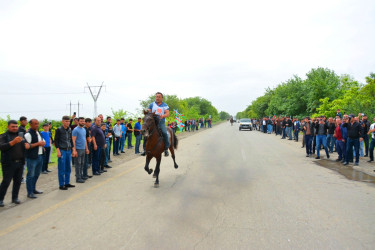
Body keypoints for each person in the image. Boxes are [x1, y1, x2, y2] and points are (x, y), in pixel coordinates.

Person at [0, 120, 31, 206]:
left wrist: (28, 145)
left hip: (20, 162)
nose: (15, 128)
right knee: (6, 182)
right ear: (8, 127)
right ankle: (0, 199)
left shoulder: (20, 135)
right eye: (13, 127)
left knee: (17, 181)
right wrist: (13, 142)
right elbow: (2, 147)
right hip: (9, 163)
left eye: (16, 126)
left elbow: (26, 144)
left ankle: (15, 198)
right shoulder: (4, 136)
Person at [24, 119, 45, 198]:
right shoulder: (28, 134)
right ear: (30, 125)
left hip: (40, 155)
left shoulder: (38, 132)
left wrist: (42, 143)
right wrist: (38, 144)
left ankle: (33, 189)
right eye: (35, 124)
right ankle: (29, 192)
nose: (37, 125)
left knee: (36, 174)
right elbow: (28, 146)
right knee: (30, 175)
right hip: (32, 157)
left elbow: (43, 141)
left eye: (38, 124)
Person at [55, 116, 75, 190]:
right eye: (66, 121)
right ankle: (61, 184)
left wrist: (73, 149)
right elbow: (56, 141)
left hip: (68, 150)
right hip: (62, 150)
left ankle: (67, 182)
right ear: (62, 121)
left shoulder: (69, 129)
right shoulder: (59, 130)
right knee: (61, 168)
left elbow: (70, 140)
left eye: (68, 121)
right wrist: (58, 150)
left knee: (68, 167)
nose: (67, 123)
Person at [147, 92, 171, 156]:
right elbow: (148, 111)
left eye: (159, 97)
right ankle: (145, 149)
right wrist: (150, 113)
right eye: (156, 96)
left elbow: (167, 114)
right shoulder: (152, 104)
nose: (157, 98)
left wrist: (162, 116)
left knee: (164, 133)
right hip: (152, 122)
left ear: (162, 98)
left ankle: (166, 149)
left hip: (161, 121)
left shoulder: (165, 105)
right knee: (146, 132)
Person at [72, 117, 89, 183]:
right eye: (81, 121)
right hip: (78, 149)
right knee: (78, 164)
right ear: (78, 122)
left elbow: (85, 140)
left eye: (83, 121)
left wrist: (86, 148)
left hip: (83, 149)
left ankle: (81, 176)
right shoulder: (75, 130)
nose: (82, 122)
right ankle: (78, 178)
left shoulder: (84, 129)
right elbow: (73, 140)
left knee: (82, 163)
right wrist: (74, 150)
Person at [18, 116, 27, 184]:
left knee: (24, 164)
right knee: (23, 164)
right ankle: (21, 178)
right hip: (21, 148)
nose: (26, 122)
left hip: (24, 148)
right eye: (24, 120)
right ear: (21, 121)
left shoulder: (23, 128)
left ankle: (21, 177)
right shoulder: (21, 129)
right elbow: (21, 139)